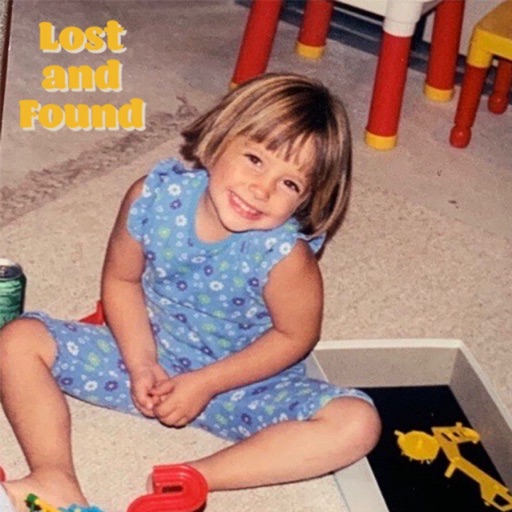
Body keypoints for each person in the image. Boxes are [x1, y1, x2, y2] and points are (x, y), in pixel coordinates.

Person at [0, 73, 381, 511]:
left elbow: (295, 337)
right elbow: (122, 281)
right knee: (17, 339)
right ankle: (53, 476)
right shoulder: (152, 198)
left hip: (243, 387)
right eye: (255, 159)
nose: (262, 189)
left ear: (306, 200)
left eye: (290, 183)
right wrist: (141, 363)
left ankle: (192, 477)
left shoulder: (285, 257)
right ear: (218, 140)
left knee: (357, 423)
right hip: (145, 358)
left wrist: (206, 383)